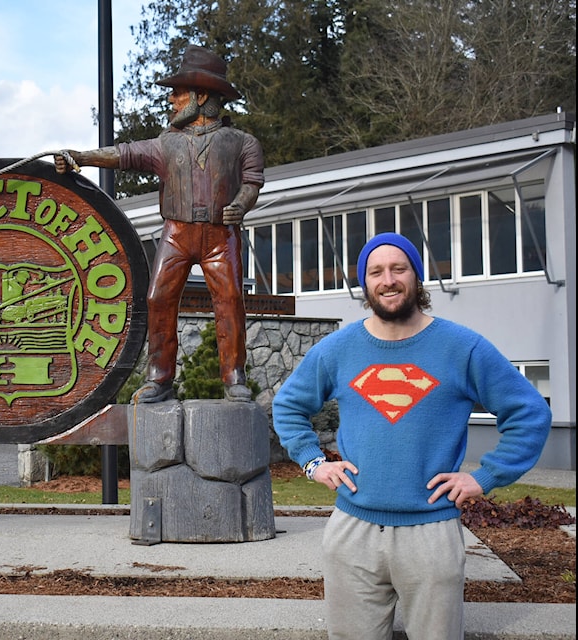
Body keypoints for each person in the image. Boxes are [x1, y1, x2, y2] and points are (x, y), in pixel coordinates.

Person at [272, 232, 552, 640]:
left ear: (416, 277)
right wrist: (313, 462)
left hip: (432, 533)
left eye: (398, 268)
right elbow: (288, 405)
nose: (388, 279)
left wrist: (485, 476)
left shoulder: (462, 348)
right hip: (352, 531)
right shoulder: (338, 349)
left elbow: (529, 413)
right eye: (376, 271)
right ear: (365, 284)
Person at [55, 45, 264, 403]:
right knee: (158, 298)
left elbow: (252, 182)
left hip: (220, 236)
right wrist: (81, 158)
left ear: (200, 97)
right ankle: (159, 377)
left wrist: (241, 205)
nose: (171, 99)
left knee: (230, 301)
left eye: (178, 93)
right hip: (177, 234)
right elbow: (124, 154)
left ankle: (234, 376)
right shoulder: (166, 145)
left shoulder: (242, 142)